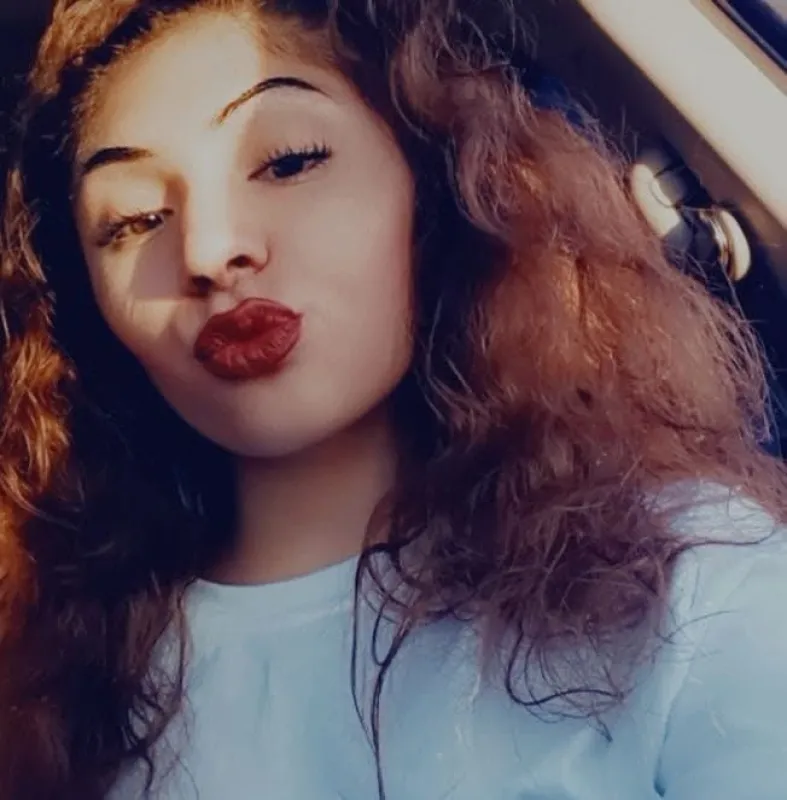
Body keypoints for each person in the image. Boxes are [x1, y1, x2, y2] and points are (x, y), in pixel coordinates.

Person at [1, 0, 786, 797]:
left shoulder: (686, 584)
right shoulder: (44, 690)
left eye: (288, 162)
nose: (207, 249)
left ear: (436, 182)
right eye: (134, 220)